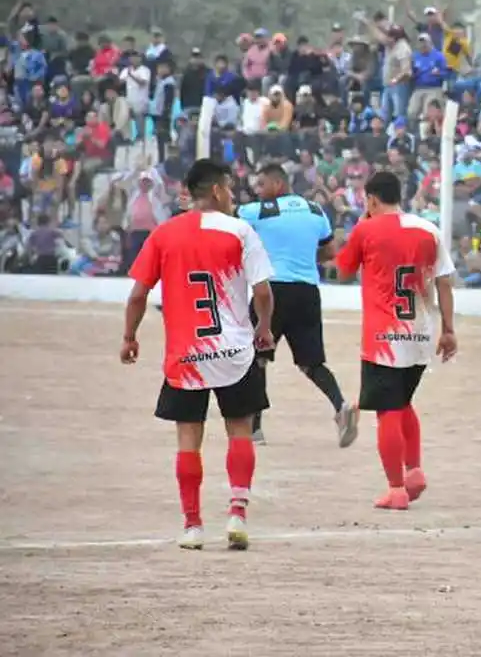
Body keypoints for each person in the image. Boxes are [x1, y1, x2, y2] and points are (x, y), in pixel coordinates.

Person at [120, 159, 275, 551]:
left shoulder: (164, 234)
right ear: (219, 190)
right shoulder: (240, 231)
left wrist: (129, 336)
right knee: (239, 428)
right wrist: (264, 327)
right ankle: (237, 512)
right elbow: (262, 292)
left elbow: (138, 295)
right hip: (234, 351)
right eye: (230, 188)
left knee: (189, 439)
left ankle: (192, 525)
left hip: (186, 355)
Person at [335, 171, 457, 511]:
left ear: (372, 200)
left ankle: (396, 488)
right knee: (403, 402)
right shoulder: (428, 229)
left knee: (387, 411)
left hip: (384, 337)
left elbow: (342, 271)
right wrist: (448, 329)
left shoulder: (366, 229)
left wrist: (361, 226)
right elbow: (445, 283)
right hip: (421, 332)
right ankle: (414, 470)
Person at [238, 163, 355, 447]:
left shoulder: (256, 211)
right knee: (311, 363)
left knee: (257, 357)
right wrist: (301, 258)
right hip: (307, 291)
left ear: (278, 184)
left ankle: (255, 429)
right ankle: (340, 407)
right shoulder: (316, 210)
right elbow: (329, 251)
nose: (257, 190)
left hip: (272, 290)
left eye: (261, 184)